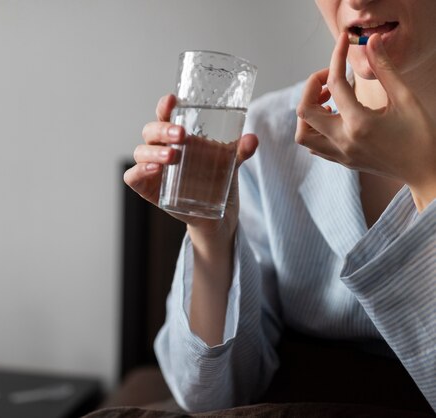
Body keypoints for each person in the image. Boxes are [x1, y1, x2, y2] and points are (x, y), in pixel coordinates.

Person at [124, 0, 435, 414]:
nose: (358, 1)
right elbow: (208, 398)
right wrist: (211, 234)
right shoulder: (266, 137)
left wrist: (425, 177)